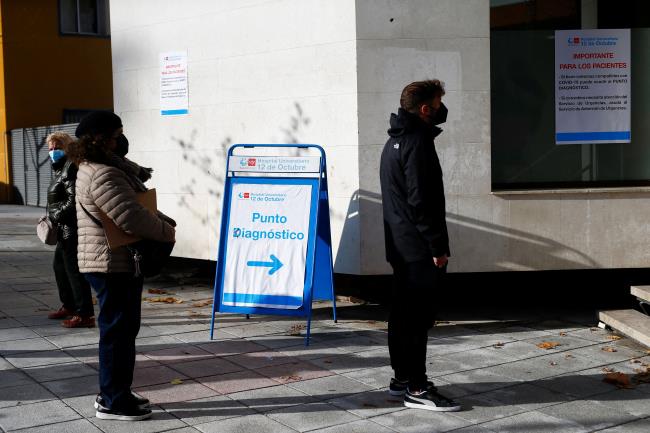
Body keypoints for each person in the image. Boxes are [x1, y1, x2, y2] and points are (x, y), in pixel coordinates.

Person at [67, 111, 176, 421]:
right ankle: (113, 400)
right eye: (117, 134)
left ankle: (115, 391)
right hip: (111, 263)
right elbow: (130, 217)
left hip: (107, 260)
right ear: (101, 139)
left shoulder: (94, 168)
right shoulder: (104, 173)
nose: (122, 139)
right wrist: (167, 230)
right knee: (118, 333)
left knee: (120, 331)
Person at [379, 80, 461, 412]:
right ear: (426, 109)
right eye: (439, 102)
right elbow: (422, 202)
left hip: (400, 247)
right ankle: (417, 386)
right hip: (417, 250)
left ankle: (401, 380)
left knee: (402, 316)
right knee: (416, 319)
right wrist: (437, 248)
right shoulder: (417, 142)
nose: (442, 108)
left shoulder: (394, 141)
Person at [45, 132, 95, 328]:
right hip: (64, 229)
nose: (53, 152)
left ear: (66, 148)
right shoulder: (60, 168)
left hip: (72, 228)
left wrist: (56, 214)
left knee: (74, 272)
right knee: (60, 268)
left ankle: (85, 314)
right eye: (50, 149)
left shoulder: (70, 168)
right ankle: (70, 305)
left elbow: (74, 200)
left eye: (56, 148)